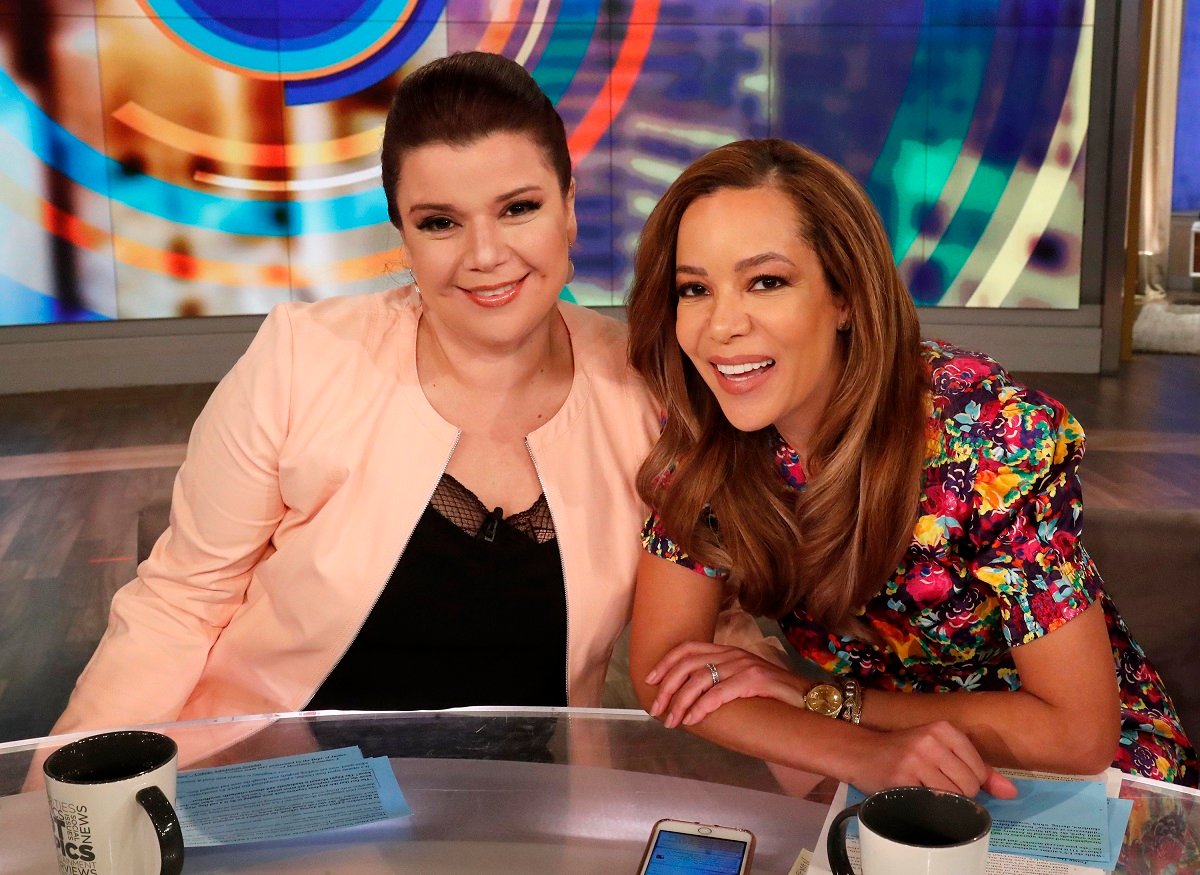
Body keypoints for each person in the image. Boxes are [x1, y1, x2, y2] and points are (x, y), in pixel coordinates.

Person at [46, 53, 777, 762]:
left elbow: (710, 630)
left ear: (570, 208)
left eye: (519, 208)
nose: (486, 254)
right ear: (402, 235)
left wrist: (843, 787)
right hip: (274, 779)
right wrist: (61, 803)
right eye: (440, 222)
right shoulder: (301, 357)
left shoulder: (645, 389)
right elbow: (179, 601)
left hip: (522, 797)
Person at [625, 138, 1197, 797]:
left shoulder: (988, 436)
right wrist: (860, 753)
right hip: (895, 775)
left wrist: (829, 701)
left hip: (1088, 789)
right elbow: (665, 669)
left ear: (844, 296)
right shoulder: (706, 431)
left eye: (766, 281)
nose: (720, 324)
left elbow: (1076, 734)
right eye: (694, 288)